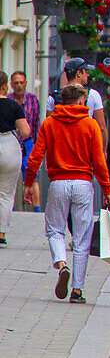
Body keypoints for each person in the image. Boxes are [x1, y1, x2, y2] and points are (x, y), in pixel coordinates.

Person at [23, 84, 110, 304]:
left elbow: (36, 155)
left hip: (58, 183)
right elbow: (99, 161)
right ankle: (78, 290)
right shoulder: (90, 125)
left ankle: (62, 264)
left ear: (62, 101)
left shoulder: (50, 123)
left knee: (55, 230)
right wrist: (107, 188)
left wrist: (29, 182)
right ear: (82, 100)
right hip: (83, 184)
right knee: (82, 239)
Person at [0, 72, 31, 246]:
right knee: (5, 194)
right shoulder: (13, 106)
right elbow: (26, 131)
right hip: (10, 147)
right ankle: (1, 233)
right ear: (5, 86)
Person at [47, 59, 106, 149]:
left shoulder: (53, 97)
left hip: (61, 148)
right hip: (84, 146)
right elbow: (101, 127)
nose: (88, 74)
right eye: (85, 71)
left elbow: (48, 129)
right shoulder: (93, 95)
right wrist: (103, 150)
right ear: (78, 73)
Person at [10, 70, 42, 211]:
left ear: (26, 83)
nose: (19, 86)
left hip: (28, 142)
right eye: (16, 83)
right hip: (11, 142)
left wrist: (36, 145)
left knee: (32, 174)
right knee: (10, 176)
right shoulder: (7, 100)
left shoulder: (32, 99)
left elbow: (36, 123)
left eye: (21, 83)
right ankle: (10, 208)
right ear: (11, 85)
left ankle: (37, 210)